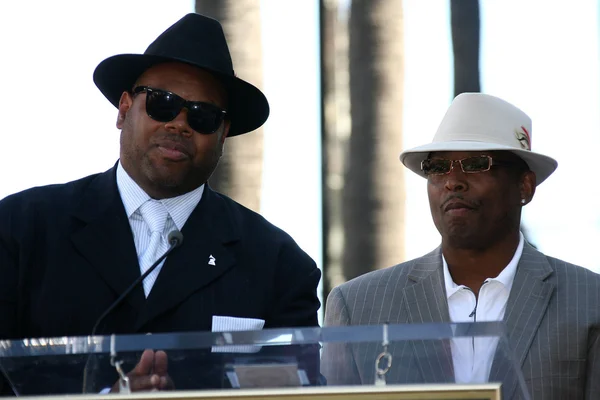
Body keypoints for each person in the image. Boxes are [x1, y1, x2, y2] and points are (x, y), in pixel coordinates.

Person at [0, 13, 321, 394]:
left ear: (223, 135)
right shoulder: (23, 228)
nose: (179, 124)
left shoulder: (278, 264)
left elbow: (297, 391)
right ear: (123, 109)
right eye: (162, 104)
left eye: (203, 116)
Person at [321, 93, 600, 399]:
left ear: (525, 186)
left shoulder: (589, 300)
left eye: (476, 164)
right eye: (437, 167)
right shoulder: (359, 306)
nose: (453, 181)